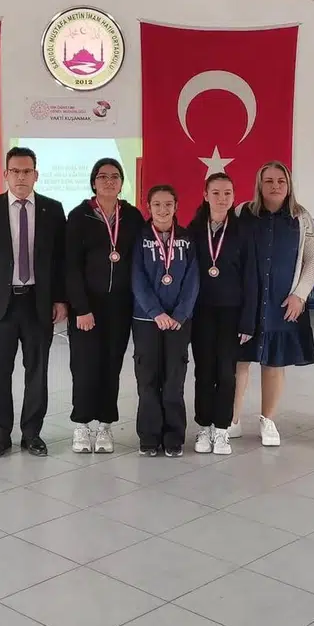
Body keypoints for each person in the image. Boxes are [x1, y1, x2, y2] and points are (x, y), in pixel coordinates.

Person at [0, 146, 67, 458]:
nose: (21, 177)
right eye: (15, 171)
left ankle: (32, 434)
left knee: (37, 371)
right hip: (1, 304)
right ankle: (0, 434)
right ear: (6, 174)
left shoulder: (53, 209)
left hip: (38, 303)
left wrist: (61, 299)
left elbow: (60, 261)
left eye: (27, 171)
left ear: (36, 175)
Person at [234, 162, 314, 446]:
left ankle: (267, 420)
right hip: (247, 301)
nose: (275, 186)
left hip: (283, 302)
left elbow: (313, 260)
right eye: (268, 180)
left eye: (280, 180)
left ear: (289, 184)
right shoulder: (243, 213)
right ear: (259, 184)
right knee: (239, 359)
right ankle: (232, 419)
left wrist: (300, 295)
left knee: (274, 361)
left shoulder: (301, 217)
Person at [65, 158, 142, 454]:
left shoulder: (132, 217)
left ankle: (105, 425)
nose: (109, 181)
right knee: (84, 367)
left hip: (120, 307)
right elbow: (70, 266)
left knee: (111, 366)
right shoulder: (79, 215)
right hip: (87, 306)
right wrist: (81, 308)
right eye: (102, 176)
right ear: (93, 182)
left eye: (115, 176)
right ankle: (82, 425)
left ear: (122, 183)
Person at [186, 173, 256, 456]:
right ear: (205, 195)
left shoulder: (243, 231)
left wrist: (248, 320)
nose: (222, 198)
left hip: (232, 313)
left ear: (234, 196)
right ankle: (204, 427)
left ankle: (223, 429)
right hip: (200, 311)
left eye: (227, 193)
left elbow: (251, 277)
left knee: (227, 373)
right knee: (204, 371)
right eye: (215, 193)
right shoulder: (192, 230)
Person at [132, 185, 199, 457]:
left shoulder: (187, 238)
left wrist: (180, 314)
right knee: (147, 379)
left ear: (176, 206)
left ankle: (173, 436)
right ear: (148, 207)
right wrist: (155, 312)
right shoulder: (139, 238)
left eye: (168, 204)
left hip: (178, 322)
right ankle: (149, 436)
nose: (163, 210)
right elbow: (137, 278)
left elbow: (193, 279)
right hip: (146, 319)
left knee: (174, 379)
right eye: (157, 204)